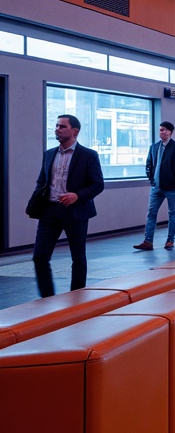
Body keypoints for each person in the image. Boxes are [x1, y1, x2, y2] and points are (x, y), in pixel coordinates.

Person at [30, 114, 105, 297]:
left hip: (76, 211)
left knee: (78, 258)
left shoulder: (88, 155)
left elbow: (98, 184)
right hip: (50, 211)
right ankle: (47, 298)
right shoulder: (49, 154)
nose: (57, 129)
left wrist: (77, 196)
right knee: (39, 257)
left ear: (74, 131)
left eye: (62, 126)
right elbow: (42, 181)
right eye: (56, 126)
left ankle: (76, 298)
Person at [134, 121, 175, 250]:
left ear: (170, 131)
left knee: (172, 213)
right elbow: (149, 164)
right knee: (151, 213)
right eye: (160, 130)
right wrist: (151, 180)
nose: (161, 132)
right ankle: (148, 241)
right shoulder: (154, 147)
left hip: (171, 188)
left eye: (164, 130)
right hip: (156, 187)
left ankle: (170, 240)